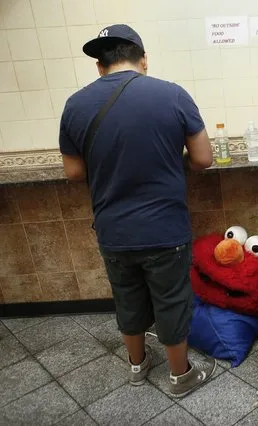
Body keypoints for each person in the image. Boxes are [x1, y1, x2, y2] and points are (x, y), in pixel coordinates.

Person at [59, 24, 215, 398]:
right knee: (172, 299)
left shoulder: (75, 105)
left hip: (114, 230)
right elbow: (204, 159)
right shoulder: (173, 95)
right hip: (164, 229)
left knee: (126, 297)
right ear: (143, 59)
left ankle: (137, 365)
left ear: (100, 66)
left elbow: (74, 172)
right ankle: (180, 376)